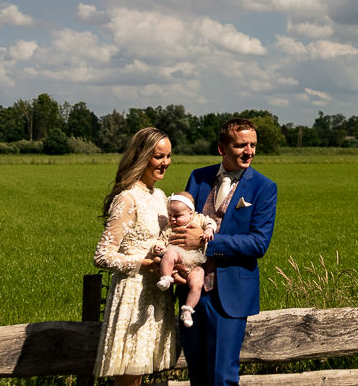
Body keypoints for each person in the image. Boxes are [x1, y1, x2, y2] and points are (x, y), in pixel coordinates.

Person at [174, 116, 278, 386]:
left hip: (230, 295)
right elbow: (182, 226)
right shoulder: (198, 177)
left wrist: (208, 243)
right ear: (222, 148)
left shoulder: (264, 187)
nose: (250, 151)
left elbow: (258, 243)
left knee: (222, 378)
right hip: (191, 290)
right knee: (197, 375)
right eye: (241, 145)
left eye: (253, 145)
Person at [92, 126, 181, 386]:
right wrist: (143, 263)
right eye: (158, 156)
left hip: (154, 294)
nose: (165, 163)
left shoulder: (161, 196)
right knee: (128, 377)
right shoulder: (128, 198)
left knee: (139, 375)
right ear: (142, 157)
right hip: (132, 296)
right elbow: (102, 256)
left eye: (168, 156)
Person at [152, 192, 216, 327]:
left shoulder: (198, 219)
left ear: (191, 214)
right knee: (169, 254)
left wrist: (209, 230)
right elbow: (162, 240)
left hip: (195, 261)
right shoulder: (169, 228)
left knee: (197, 283)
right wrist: (157, 247)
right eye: (170, 216)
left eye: (177, 216)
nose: (173, 219)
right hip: (178, 255)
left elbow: (210, 221)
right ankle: (166, 277)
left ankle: (187, 310)